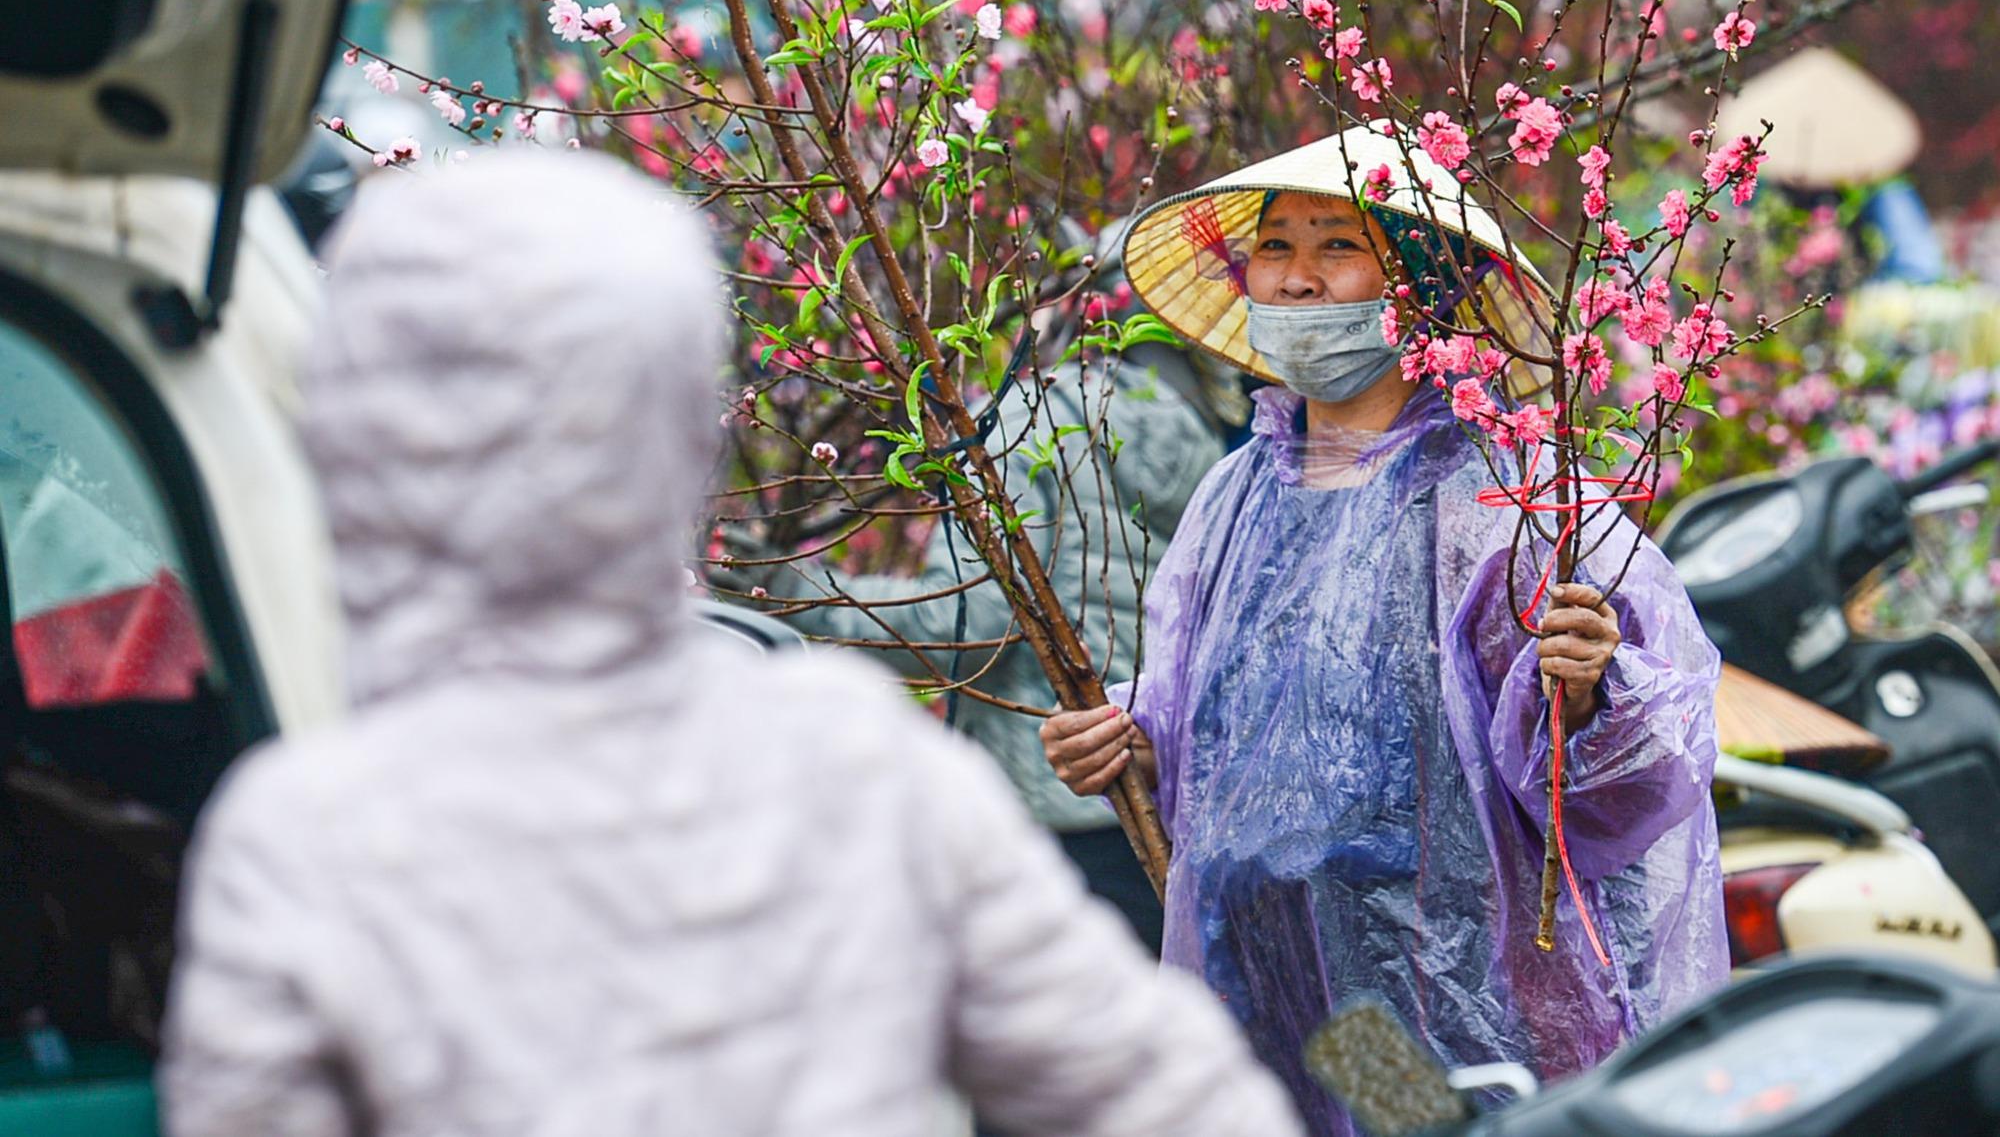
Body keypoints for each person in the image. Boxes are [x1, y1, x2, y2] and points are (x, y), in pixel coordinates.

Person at [157, 151, 1303, 1137]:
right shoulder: (853, 764)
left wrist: (801, 585)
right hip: (1194, 839)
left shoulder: (304, 839)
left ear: (353, 436)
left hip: (1129, 819)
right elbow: (1167, 1091)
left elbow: (970, 615)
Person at [1041, 124, 1727, 1133]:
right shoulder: (1234, 494)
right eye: (1274, 247)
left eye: (1336, 246)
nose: (1297, 279)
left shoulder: (1503, 500)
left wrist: (1584, 691)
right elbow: (1202, 712)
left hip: (1443, 991)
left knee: (1420, 1127)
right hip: (1271, 978)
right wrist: (1124, 735)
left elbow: (1637, 771)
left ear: (1419, 289)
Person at [740, 253, 1224, 955]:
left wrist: (791, 594)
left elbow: (965, 623)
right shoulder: (1215, 448)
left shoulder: (1030, 419)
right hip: (1149, 791)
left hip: (1052, 794)